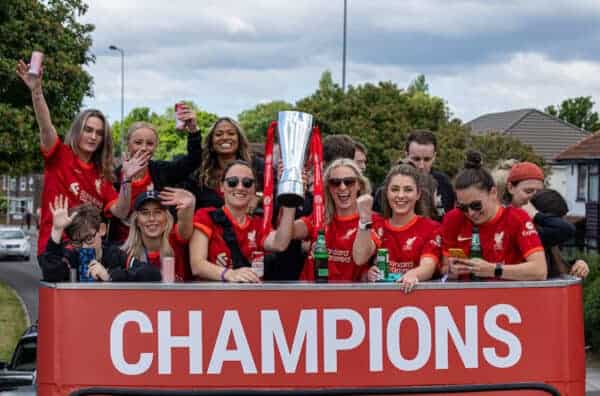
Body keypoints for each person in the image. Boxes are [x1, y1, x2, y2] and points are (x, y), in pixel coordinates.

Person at [16, 58, 145, 256]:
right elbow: (45, 126)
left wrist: (126, 180)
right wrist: (36, 91)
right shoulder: (59, 155)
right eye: (88, 130)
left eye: (99, 133)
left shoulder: (102, 177)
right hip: (55, 248)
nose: (93, 136)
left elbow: (120, 211)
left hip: (87, 251)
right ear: (78, 131)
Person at [441, 151, 547, 281]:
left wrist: (493, 270)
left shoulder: (516, 217)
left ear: (493, 193)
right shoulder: (453, 218)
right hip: (468, 298)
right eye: (463, 207)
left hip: (507, 298)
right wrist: (451, 270)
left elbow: (540, 270)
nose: (470, 213)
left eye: (476, 205)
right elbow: (444, 267)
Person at [271, 158, 378, 282]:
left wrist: (364, 218)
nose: (342, 187)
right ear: (328, 188)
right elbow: (284, 236)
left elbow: (360, 258)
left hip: (346, 297)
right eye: (335, 182)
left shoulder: (372, 220)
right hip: (309, 296)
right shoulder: (319, 217)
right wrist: (290, 192)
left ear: (359, 185)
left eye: (349, 182)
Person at [189, 160, 295, 282]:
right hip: (212, 297)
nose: (240, 187)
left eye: (247, 183)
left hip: (248, 297)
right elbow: (197, 265)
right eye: (232, 182)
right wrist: (230, 274)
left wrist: (290, 193)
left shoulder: (259, 224)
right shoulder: (206, 216)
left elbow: (280, 244)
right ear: (222, 187)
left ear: (254, 189)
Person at [109, 116, 201, 243]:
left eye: (150, 143)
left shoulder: (161, 170)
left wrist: (193, 130)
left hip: (159, 245)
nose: (144, 148)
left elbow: (193, 161)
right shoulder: (113, 177)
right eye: (138, 142)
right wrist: (126, 178)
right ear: (128, 144)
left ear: (156, 146)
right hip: (124, 246)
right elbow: (118, 213)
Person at [355, 164, 441, 292]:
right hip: (380, 305)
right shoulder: (377, 225)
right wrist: (364, 220)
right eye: (394, 189)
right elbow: (360, 258)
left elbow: (428, 266)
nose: (400, 195)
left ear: (418, 194)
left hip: (417, 303)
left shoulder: (431, 228)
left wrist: (413, 275)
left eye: (408, 190)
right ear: (386, 193)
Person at [38, 195, 160, 282]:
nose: (84, 247)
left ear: (102, 230)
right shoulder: (71, 253)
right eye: (77, 242)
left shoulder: (114, 254)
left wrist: (110, 276)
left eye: (89, 238)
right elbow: (50, 273)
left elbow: (152, 273)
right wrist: (57, 230)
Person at [184, 117, 262, 210]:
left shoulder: (256, 165)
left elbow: (272, 191)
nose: (225, 138)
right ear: (211, 142)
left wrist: (258, 198)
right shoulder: (199, 172)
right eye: (218, 134)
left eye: (231, 133)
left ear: (239, 140)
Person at [122, 188, 196, 281]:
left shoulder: (175, 240)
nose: (152, 218)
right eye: (145, 213)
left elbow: (185, 227)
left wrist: (189, 207)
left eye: (158, 212)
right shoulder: (126, 253)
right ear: (137, 221)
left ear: (167, 218)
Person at [529, 189, 589, 278]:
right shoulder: (533, 238)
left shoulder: (551, 246)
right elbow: (567, 229)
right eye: (560, 220)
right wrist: (535, 214)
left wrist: (577, 263)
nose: (564, 222)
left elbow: (560, 270)